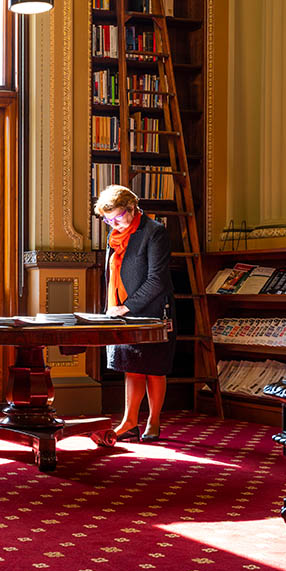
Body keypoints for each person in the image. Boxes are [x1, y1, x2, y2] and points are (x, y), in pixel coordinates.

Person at [94, 184, 176, 443]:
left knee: (154, 367)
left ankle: (153, 421)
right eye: (107, 219)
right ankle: (129, 421)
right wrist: (114, 309)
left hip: (152, 311)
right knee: (131, 367)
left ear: (132, 208)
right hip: (122, 312)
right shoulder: (114, 236)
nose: (113, 223)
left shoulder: (154, 232)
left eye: (117, 217)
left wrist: (126, 307)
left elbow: (156, 280)